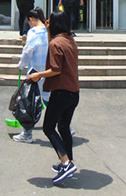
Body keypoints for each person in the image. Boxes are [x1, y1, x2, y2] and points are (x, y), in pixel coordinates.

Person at [29, 10, 79, 184]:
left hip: (61, 92)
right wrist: (49, 31)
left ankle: (66, 163)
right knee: (63, 127)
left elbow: (56, 69)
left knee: (48, 128)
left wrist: (39, 75)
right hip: (73, 92)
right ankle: (68, 162)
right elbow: (54, 46)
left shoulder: (56, 43)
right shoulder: (69, 40)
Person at [13, 7, 50, 144]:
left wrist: (21, 65)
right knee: (49, 100)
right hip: (48, 71)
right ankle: (65, 127)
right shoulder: (48, 31)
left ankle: (27, 133)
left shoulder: (33, 32)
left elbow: (28, 51)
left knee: (29, 103)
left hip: (35, 72)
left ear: (31, 19)